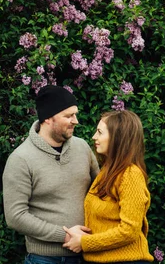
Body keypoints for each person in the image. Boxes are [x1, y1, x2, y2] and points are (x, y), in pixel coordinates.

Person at [3, 85, 100, 264]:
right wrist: (64, 235)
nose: (76, 121)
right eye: (68, 116)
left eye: (75, 114)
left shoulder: (82, 148)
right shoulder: (21, 159)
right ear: (48, 117)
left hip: (88, 254)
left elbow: (102, 189)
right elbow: (15, 216)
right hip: (44, 259)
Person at [63, 110, 154, 263]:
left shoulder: (130, 174)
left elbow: (129, 231)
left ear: (118, 137)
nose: (94, 137)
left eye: (100, 132)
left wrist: (84, 243)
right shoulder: (108, 170)